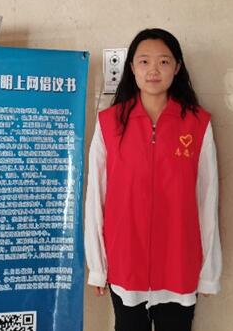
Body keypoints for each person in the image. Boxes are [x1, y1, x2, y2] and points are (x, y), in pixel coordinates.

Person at [85, 28, 221, 331]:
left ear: (177, 67)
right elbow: (96, 196)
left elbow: (208, 198)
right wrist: (97, 266)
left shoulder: (197, 123)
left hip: (179, 260)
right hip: (125, 259)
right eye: (144, 61)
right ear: (132, 68)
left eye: (163, 61)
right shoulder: (109, 123)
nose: (153, 70)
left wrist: (208, 271)